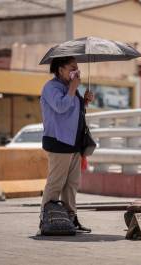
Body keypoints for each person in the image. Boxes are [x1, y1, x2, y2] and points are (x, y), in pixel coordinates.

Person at [39, 56, 94, 233]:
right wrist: (72, 88)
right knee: (55, 183)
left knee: (71, 184)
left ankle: (70, 218)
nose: (76, 71)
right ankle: (46, 219)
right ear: (60, 69)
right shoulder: (51, 87)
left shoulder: (71, 88)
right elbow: (60, 107)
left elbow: (72, 112)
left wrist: (84, 101)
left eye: (77, 67)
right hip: (59, 142)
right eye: (72, 67)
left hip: (74, 143)